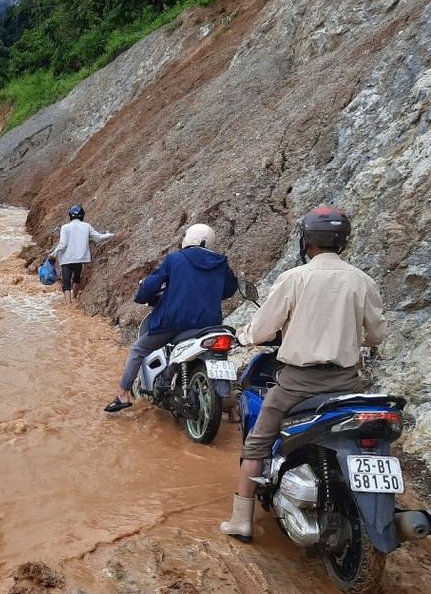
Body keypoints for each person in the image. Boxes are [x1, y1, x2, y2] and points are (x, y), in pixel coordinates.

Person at [220, 205, 386, 542]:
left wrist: (244, 336)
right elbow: (376, 334)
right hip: (346, 383)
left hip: (296, 384)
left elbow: (264, 328)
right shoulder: (362, 280)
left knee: (257, 445)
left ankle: (241, 522)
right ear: (343, 241)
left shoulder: (295, 278)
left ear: (307, 240)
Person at [104, 222, 237, 413]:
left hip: (174, 323)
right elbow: (230, 289)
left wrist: (142, 296)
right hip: (209, 326)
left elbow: (151, 285)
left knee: (137, 349)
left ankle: (123, 395)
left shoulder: (175, 259)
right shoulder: (220, 262)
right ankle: (232, 411)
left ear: (187, 238)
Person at [49, 205, 114, 310]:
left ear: (70, 215)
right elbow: (98, 238)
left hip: (66, 259)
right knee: (76, 278)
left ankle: (68, 306)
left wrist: (53, 254)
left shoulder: (65, 227)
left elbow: (62, 244)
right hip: (79, 258)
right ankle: (74, 298)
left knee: (66, 283)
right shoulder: (87, 226)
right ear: (82, 216)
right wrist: (111, 235)